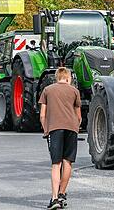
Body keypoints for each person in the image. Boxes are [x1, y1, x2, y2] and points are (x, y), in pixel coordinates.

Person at [39, 67, 81, 210]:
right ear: (68, 77)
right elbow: (79, 116)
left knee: (56, 164)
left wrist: (46, 130)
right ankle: (62, 193)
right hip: (72, 128)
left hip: (54, 129)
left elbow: (42, 115)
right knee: (67, 161)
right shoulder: (75, 91)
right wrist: (75, 127)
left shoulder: (48, 90)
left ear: (57, 77)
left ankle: (54, 198)